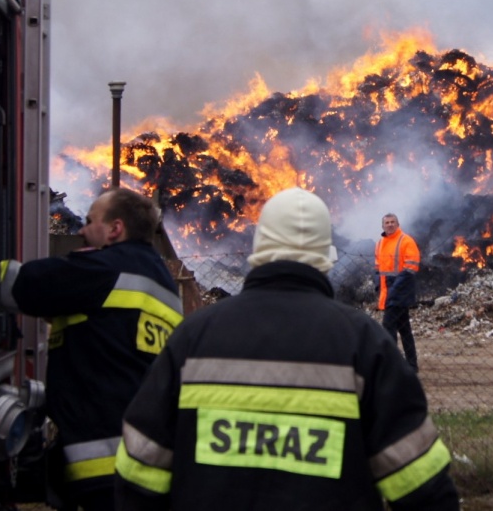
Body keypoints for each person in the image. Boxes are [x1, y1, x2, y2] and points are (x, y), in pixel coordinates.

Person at [115, 188, 459, 510]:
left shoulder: (193, 337)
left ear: (259, 252)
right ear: (327, 261)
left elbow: (138, 473)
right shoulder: (365, 344)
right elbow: (424, 487)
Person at [0, 187, 183, 511]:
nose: (82, 231)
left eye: (89, 222)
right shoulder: (165, 285)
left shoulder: (102, 270)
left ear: (115, 229)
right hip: (145, 462)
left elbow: (23, 286)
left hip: (99, 463)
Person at [375, 212, 421, 372]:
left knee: (388, 327)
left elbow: (411, 267)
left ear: (398, 223)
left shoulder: (406, 241)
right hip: (388, 293)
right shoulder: (380, 243)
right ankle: (412, 365)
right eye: (386, 222)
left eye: (392, 222)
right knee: (404, 329)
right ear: (382, 226)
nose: (389, 224)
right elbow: (378, 268)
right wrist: (378, 287)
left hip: (400, 293)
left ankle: (393, 366)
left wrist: (394, 289)